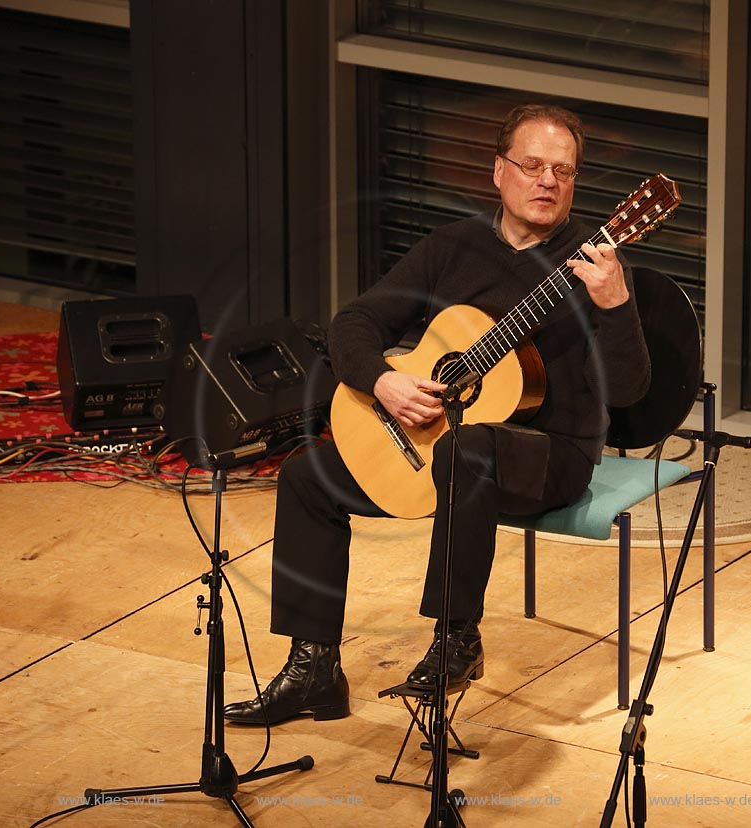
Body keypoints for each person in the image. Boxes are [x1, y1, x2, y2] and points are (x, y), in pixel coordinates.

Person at [224, 103, 651, 725]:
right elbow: (355, 324)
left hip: (549, 454)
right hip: (437, 442)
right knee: (306, 478)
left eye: (563, 170)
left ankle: (457, 638)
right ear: (497, 172)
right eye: (532, 165)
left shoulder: (594, 264)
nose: (547, 181)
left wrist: (614, 305)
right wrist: (385, 381)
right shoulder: (453, 248)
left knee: (468, 448)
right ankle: (313, 668)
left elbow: (631, 392)